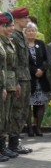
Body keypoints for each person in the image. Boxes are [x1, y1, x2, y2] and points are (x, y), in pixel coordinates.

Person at [9, 7, 32, 154]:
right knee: (16, 110)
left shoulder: (22, 35)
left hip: (26, 77)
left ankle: (15, 141)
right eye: (24, 18)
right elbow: (14, 61)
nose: (27, 21)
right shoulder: (14, 37)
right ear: (16, 19)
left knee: (23, 110)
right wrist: (16, 81)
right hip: (19, 78)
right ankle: (12, 143)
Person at [25, 22, 48, 137]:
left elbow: (46, 59)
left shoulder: (41, 44)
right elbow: (23, 62)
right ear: (25, 32)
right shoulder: (22, 44)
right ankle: (29, 127)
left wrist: (42, 70)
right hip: (29, 79)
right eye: (29, 30)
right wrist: (35, 71)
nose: (31, 32)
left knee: (40, 103)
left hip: (41, 79)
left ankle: (37, 127)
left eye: (33, 30)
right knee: (28, 104)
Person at [0, 12, 15, 159]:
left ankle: (2, 147)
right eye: (4, 25)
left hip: (3, 83)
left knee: (4, 117)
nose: (6, 28)